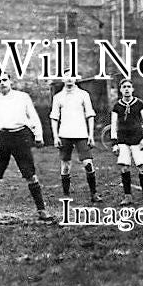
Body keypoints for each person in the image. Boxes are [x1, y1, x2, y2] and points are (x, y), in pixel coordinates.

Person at [0, 72, 55, 222]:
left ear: (10, 81)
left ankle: (42, 210)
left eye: (5, 80)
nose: (2, 83)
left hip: (21, 137)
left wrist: (38, 136)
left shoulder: (22, 97)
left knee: (30, 174)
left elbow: (33, 117)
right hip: (2, 137)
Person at [50, 73, 100, 203]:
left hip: (81, 134)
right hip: (64, 135)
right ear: (62, 79)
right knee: (65, 166)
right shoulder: (58, 97)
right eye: (66, 76)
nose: (69, 79)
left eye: (72, 76)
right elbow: (54, 118)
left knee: (88, 164)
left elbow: (90, 115)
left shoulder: (83, 95)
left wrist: (91, 135)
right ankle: (66, 194)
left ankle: (94, 194)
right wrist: (55, 136)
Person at [110, 79, 143, 206]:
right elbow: (113, 125)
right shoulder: (117, 106)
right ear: (120, 90)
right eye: (124, 87)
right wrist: (114, 143)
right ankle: (127, 196)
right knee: (124, 167)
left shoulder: (139, 103)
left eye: (129, 87)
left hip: (138, 139)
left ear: (132, 89)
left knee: (142, 167)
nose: (126, 89)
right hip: (123, 140)